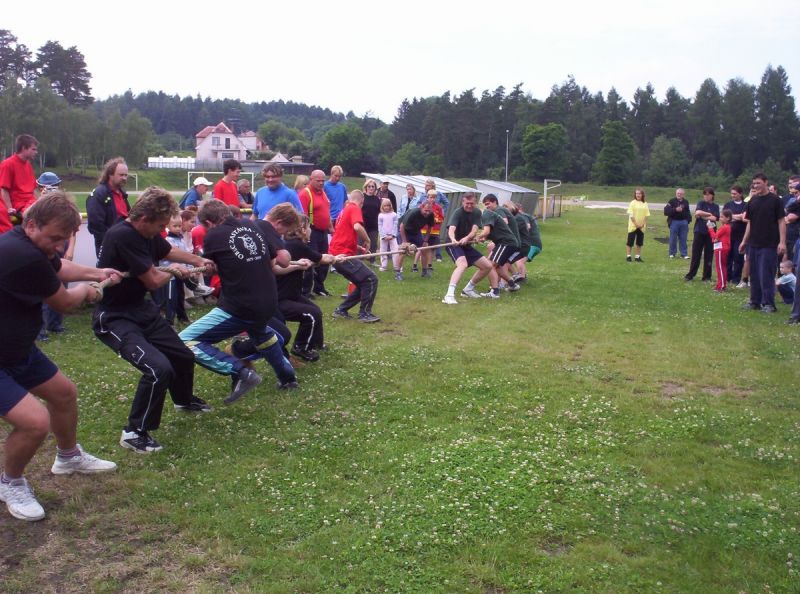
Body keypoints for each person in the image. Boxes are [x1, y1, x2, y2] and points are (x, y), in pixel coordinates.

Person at [0, 192, 121, 521]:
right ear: (31, 225)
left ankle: (68, 457)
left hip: (17, 350)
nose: (58, 245)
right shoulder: (22, 255)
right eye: (54, 238)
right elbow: (65, 303)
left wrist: (96, 272)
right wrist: (90, 290)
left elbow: (59, 266)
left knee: (64, 394)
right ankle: (10, 483)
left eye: (63, 239)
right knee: (34, 423)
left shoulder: (32, 245)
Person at [93, 186, 216, 454]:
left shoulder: (147, 233)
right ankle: (134, 432)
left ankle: (183, 400)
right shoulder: (123, 236)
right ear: (143, 218)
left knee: (182, 356)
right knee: (158, 368)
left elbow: (168, 252)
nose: (162, 230)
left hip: (140, 309)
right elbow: (152, 280)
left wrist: (198, 259)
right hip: (115, 317)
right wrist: (174, 272)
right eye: (160, 225)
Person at [178, 200, 298, 401]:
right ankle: (288, 378)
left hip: (240, 306)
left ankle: (240, 371)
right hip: (268, 301)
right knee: (261, 334)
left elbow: (211, 268)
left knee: (184, 340)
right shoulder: (252, 225)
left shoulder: (214, 235)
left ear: (208, 222)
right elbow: (272, 261)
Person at [277, 216, 341, 361]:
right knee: (312, 314)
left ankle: (316, 344)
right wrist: (335, 258)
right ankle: (300, 347)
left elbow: (312, 260)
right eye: (309, 227)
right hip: (280, 299)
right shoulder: (296, 245)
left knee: (316, 310)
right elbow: (321, 258)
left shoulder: (292, 244)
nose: (311, 230)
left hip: (291, 294)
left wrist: (332, 258)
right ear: (303, 229)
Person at [329, 190, 380, 323]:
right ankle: (365, 314)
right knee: (371, 279)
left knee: (362, 283)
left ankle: (341, 310)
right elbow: (357, 227)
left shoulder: (343, 212)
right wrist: (368, 240)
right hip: (343, 255)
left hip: (336, 254)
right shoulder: (354, 208)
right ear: (361, 201)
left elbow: (342, 235)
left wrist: (359, 248)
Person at [739, 173, 786, 313]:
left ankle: (769, 304)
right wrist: (744, 241)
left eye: (758, 183)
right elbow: (750, 223)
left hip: (769, 244)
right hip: (753, 244)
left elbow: (781, 221)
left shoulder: (775, 200)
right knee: (754, 274)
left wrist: (782, 242)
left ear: (766, 182)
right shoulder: (752, 201)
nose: (756, 185)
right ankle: (755, 302)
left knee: (766, 275)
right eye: (754, 183)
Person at [35, 173, 74, 340]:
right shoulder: (37, 207)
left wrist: (70, 248)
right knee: (42, 288)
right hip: (44, 251)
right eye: (49, 188)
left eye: (55, 186)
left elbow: (72, 230)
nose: (53, 190)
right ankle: (40, 330)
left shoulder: (64, 206)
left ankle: (55, 324)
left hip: (61, 249)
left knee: (61, 286)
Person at [441, 192, 494, 304]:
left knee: (487, 266)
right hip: (453, 244)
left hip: (466, 244)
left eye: (472, 203)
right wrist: (453, 239)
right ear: (463, 202)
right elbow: (451, 229)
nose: (469, 206)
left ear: (475, 203)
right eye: (467, 203)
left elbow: (474, 230)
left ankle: (468, 290)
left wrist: (467, 238)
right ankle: (449, 295)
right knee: (462, 264)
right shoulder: (458, 212)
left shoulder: (477, 212)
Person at [472, 193, 521, 298]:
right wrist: (482, 238)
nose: (487, 206)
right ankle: (512, 285)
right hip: (507, 242)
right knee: (496, 266)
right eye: (485, 204)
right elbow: (492, 231)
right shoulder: (491, 213)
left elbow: (489, 230)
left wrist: (480, 236)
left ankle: (495, 292)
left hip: (506, 242)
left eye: (488, 204)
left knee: (490, 265)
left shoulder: (491, 212)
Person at [298, 169, 334, 297]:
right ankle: (305, 291)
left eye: (323, 181)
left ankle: (319, 287)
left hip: (323, 232)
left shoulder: (322, 192)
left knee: (324, 260)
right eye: (318, 181)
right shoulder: (305, 194)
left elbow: (326, 211)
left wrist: (331, 227)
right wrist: (304, 234)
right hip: (312, 232)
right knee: (310, 261)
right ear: (311, 179)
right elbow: (302, 216)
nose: (321, 183)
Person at [86, 157, 131, 257]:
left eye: (126, 175)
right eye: (121, 175)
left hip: (125, 246)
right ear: (110, 174)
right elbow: (95, 226)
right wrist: (113, 241)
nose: (124, 178)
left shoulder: (122, 194)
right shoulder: (99, 195)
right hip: (109, 249)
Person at [0, 134, 38, 234]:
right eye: (33, 149)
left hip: (30, 202)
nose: (36, 152)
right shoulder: (7, 164)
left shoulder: (28, 165)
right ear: (23, 148)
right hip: (19, 205)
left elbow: (33, 189)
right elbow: (4, 190)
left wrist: (40, 201)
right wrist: (9, 209)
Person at [684, 187, 720, 282]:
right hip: (699, 231)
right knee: (696, 253)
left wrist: (703, 216)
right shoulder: (701, 203)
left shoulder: (716, 206)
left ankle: (707, 276)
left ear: (712, 195)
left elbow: (715, 218)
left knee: (709, 254)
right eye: (704, 194)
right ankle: (691, 274)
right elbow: (698, 212)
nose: (706, 196)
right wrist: (709, 214)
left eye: (708, 194)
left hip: (711, 233)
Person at [398, 200, 435, 277]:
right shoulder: (413, 213)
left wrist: (425, 240)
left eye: (429, 211)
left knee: (424, 248)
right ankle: (398, 273)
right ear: (421, 208)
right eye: (426, 210)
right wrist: (405, 242)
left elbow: (430, 227)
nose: (427, 213)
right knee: (403, 251)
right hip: (404, 231)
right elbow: (401, 226)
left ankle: (424, 272)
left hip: (416, 231)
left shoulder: (431, 215)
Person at [724, 185, 748, 285]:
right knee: (728, 257)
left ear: (740, 194)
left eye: (735, 193)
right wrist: (738, 217)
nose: (732, 195)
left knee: (738, 257)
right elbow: (725, 218)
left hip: (740, 235)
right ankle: (727, 277)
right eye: (732, 193)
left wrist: (732, 216)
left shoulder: (745, 205)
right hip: (728, 235)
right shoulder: (728, 204)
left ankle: (736, 278)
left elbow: (744, 217)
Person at [707, 209, 732, 292]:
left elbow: (715, 236)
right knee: (722, 267)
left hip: (721, 249)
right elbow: (716, 238)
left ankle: (721, 286)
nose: (720, 218)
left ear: (728, 218)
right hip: (722, 248)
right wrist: (715, 238)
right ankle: (720, 284)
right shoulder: (725, 227)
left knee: (720, 268)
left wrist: (710, 228)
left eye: (722, 217)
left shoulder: (725, 227)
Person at [664, 187, 691, 259]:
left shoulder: (686, 202)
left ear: (683, 194)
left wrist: (688, 220)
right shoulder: (671, 201)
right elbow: (666, 211)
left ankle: (684, 254)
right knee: (673, 238)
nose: (679, 195)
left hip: (684, 222)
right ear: (676, 193)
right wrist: (675, 209)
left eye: (681, 194)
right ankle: (672, 253)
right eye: (678, 193)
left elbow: (688, 212)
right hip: (674, 222)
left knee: (683, 238)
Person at [377, 198, 401, 276]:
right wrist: (384, 236)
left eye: (388, 205)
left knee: (395, 250)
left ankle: (396, 266)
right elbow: (380, 226)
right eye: (385, 206)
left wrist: (392, 235)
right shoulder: (380, 215)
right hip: (383, 236)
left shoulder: (394, 214)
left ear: (391, 206)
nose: (387, 207)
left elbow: (395, 225)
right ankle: (384, 266)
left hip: (392, 236)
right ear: (382, 206)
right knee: (383, 251)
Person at [361, 179, 382, 266]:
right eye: (369, 186)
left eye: (373, 186)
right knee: (361, 243)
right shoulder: (362, 197)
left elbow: (380, 211)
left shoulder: (377, 199)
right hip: (362, 224)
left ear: (375, 188)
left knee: (373, 244)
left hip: (373, 225)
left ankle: (372, 260)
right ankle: (359, 260)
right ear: (366, 187)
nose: (371, 188)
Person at [626, 188, 650, 262]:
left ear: (642, 194)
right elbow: (631, 215)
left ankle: (637, 257)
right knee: (630, 242)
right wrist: (636, 224)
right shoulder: (632, 203)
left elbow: (647, 215)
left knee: (639, 243)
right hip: (633, 226)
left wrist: (643, 224)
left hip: (641, 227)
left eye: (639, 193)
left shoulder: (645, 203)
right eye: (636, 193)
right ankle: (628, 257)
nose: (638, 195)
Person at [782, 175, 800, 263]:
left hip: (796, 235)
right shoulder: (788, 199)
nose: (792, 188)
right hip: (788, 234)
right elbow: (785, 211)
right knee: (787, 262)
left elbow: (791, 217)